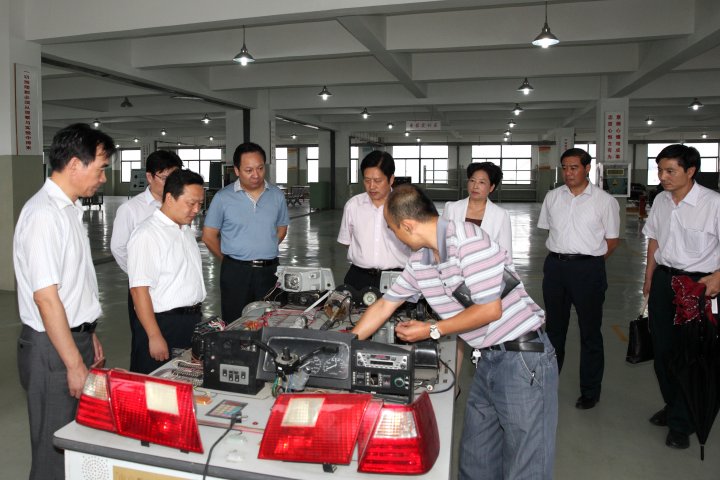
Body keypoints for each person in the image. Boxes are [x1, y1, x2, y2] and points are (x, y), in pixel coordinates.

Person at [352, 184, 557, 480]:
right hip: (488, 360)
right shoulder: (421, 261)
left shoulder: (468, 241)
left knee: (526, 468)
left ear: (407, 225)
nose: (393, 235)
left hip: (523, 362)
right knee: (475, 462)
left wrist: (431, 329)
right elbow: (385, 305)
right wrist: (345, 344)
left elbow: (489, 310)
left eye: (391, 228)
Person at [14, 123, 114, 479]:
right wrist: (73, 362)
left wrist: (88, 330)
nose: (103, 178)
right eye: (100, 168)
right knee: (54, 450)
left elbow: (72, 285)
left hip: (72, 338)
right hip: (51, 348)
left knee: (76, 440)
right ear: (74, 164)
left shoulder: (68, 209)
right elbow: (46, 298)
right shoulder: (43, 215)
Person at [642, 144, 720, 450]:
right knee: (663, 352)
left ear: (690, 171)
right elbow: (654, 239)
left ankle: (682, 422)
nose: (663, 176)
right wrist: (649, 278)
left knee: (690, 355)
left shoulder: (712, 203)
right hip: (664, 281)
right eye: (660, 170)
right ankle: (673, 404)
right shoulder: (661, 200)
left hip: (698, 286)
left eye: (670, 171)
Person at [538, 147, 619, 410]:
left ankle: (590, 391)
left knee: (590, 332)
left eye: (574, 167)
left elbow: (612, 240)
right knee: (554, 331)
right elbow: (549, 231)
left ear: (587, 168)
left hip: (588, 270)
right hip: (555, 268)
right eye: (564, 168)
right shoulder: (552, 197)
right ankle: (548, 385)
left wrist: (590, 263)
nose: (568, 173)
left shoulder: (605, 201)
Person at [127, 169, 207, 374]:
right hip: (163, 325)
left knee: (186, 383)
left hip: (190, 321)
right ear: (170, 198)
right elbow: (139, 291)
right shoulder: (148, 234)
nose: (196, 209)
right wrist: (154, 336)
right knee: (157, 385)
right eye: (191, 203)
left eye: (200, 204)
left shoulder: (185, 230)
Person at [110, 150, 182, 372]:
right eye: (165, 177)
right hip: (144, 291)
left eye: (175, 177)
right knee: (145, 343)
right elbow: (118, 248)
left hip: (174, 289)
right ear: (149, 177)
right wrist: (140, 275)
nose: (171, 183)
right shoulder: (131, 209)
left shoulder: (179, 204)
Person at [202, 142, 289, 322]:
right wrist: (229, 261)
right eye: (249, 170)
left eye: (260, 168)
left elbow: (282, 228)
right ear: (237, 170)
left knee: (270, 320)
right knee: (235, 322)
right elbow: (209, 236)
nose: (256, 175)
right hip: (236, 272)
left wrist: (265, 247)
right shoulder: (223, 198)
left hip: (270, 272)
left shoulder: (276, 195)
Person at [337, 150, 410, 291]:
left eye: (377, 181)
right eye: (367, 180)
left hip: (397, 278)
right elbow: (347, 242)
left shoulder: (407, 205)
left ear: (391, 179)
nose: (371, 186)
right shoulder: (353, 205)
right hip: (358, 277)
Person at [442, 161, 512, 256]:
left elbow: (506, 253)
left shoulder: (501, 215)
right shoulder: (451, 208)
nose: (475, 186)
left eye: (481, 182)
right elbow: (441, 243)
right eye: (472, 180)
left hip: (486, 265)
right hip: (454, 263)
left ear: (491, 187)